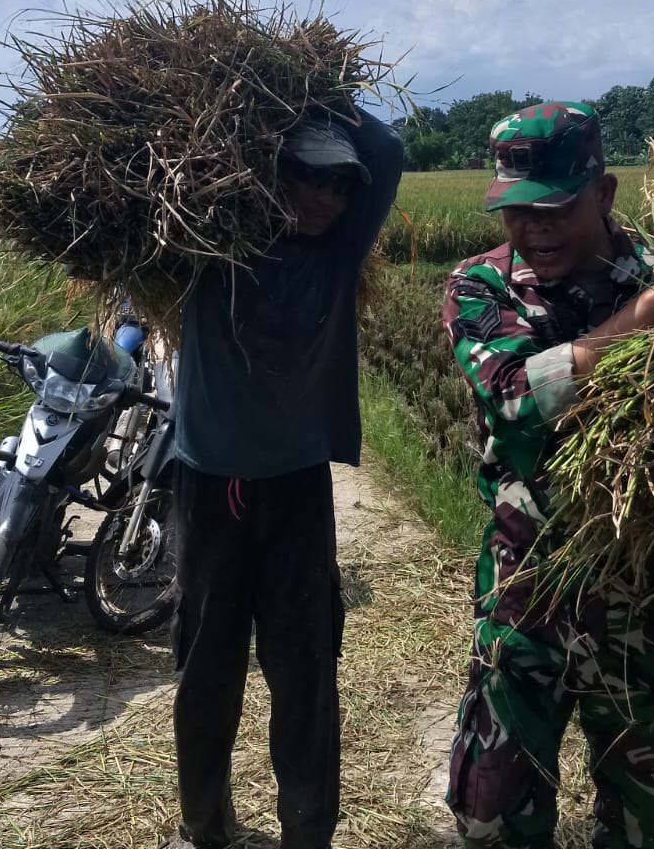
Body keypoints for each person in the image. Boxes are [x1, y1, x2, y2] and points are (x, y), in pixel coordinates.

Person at [441, 102, 654, 849]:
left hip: (651, 605)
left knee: (642, 828)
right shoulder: (483, 288)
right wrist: (652, 312)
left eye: (556, 209)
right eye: (516, 214)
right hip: (528, 593)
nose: (535, 231)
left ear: (604, 193)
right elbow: (518, 398)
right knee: (491, 817)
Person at [164, 111, 404, 849]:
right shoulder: (207, 247)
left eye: (339, 185)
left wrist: (304, 88)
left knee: (304, 672)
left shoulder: (336, 257)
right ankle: (206, 827)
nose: (324, 199)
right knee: (206, 669)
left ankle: (308, 835)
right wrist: (259, 118)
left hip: (297, 491)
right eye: (306, 176)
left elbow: (388, 151)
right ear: (263, 177)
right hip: (207, 490)